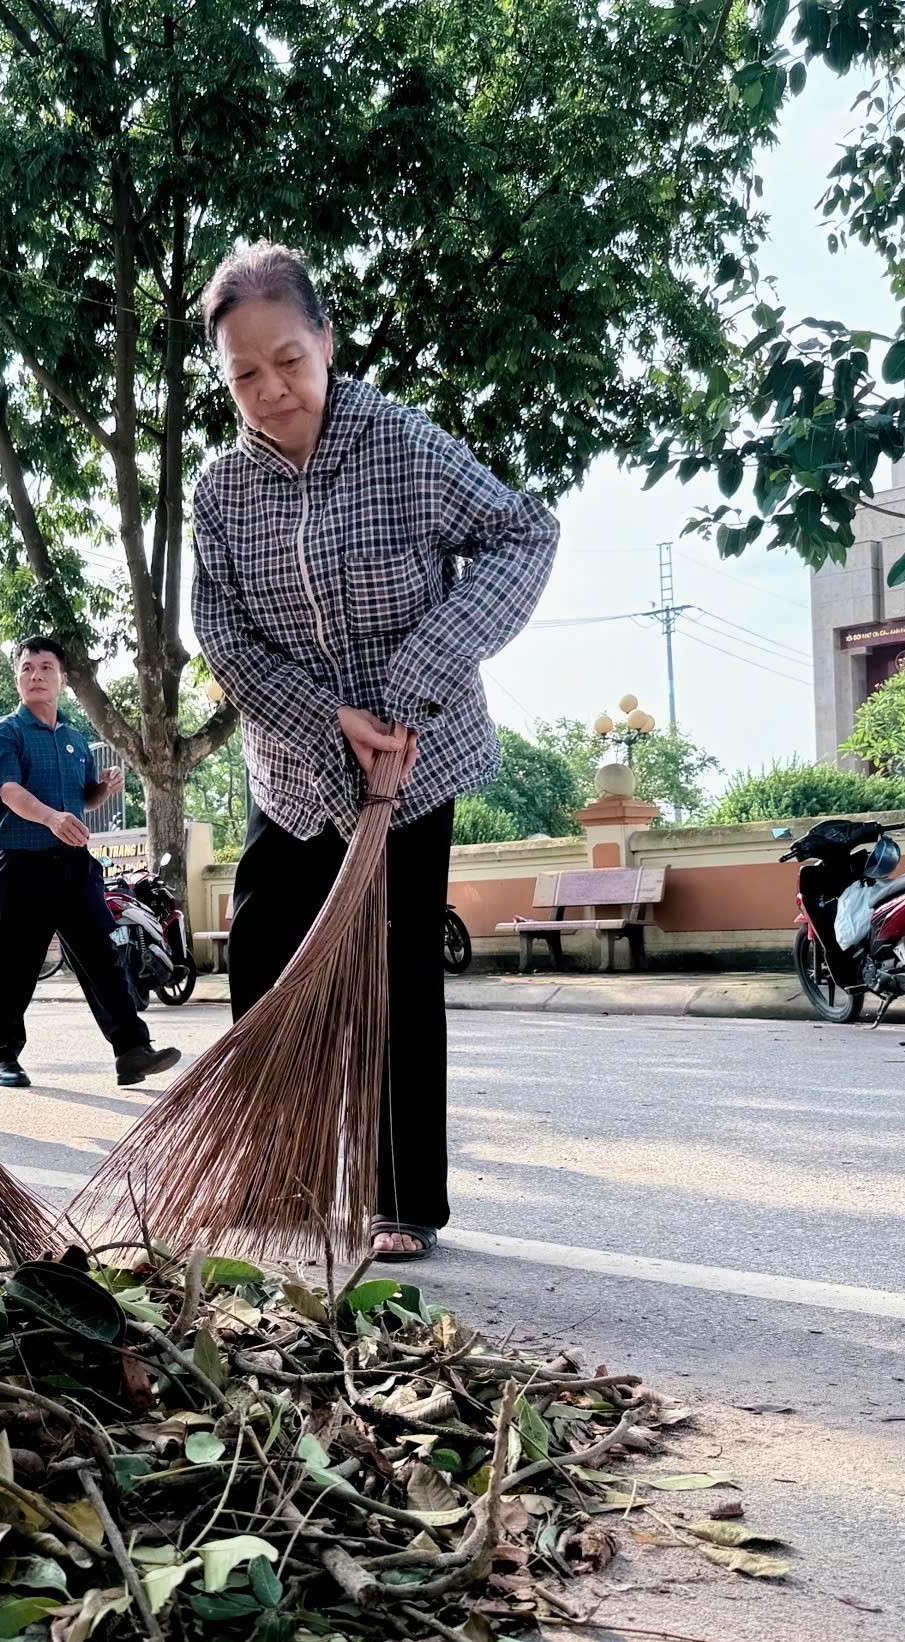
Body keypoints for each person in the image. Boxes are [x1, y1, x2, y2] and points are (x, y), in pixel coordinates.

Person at [190, 241, 559, 1263]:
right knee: (264, 959)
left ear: (327, 343)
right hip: (297, 770)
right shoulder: (220, 493)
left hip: (411, 766)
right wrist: (325, 717)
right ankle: (283, 1171)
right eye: (244, 376)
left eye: (288, 362)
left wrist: (412, 683)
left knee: (397, 971)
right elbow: (220, 632)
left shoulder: (402, 443)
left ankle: (404, 1199)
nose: (270, 391)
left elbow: (525, 535)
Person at [0, 634, 183, 1089]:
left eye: (46, 668)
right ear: (17, 678)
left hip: (74, 869)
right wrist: (51, 817)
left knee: (104, 959)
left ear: (63, 680)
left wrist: (103, 790)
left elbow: (82, 798)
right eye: (28, 667)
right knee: (16, 967)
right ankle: (4, 1055)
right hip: (22, 866)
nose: (36, 675)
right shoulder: (6, 733)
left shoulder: (73, 739)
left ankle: (132, 1051)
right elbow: (7, 790)